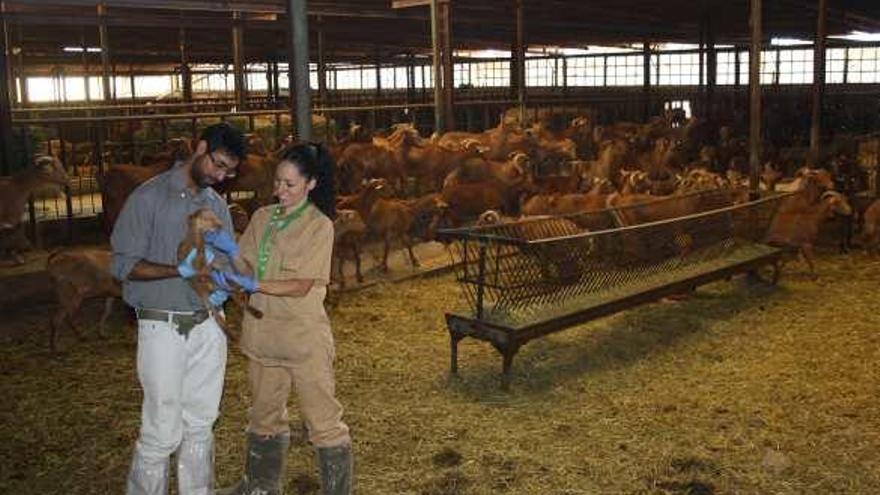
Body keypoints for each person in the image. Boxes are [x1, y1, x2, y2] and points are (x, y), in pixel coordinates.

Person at [207, 143, 353, 495]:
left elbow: (302, 284)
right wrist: (219, 276)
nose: (280, 191)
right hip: (263, 336)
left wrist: (254, 283)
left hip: (303, 339)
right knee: (263, 414)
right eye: (277, 182)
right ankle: (259, 486)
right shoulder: (261, 218)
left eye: (289, 184)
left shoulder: (320, 226)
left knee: (323, 420)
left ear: (311, 184)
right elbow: (242, 263)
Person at [110, 122, 246, 495]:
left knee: (201, 422)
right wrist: (178, 271)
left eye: (228, 171)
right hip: (162, 326)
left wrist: (225, 280)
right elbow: (123, 264)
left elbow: (223, 259)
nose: (221, 176)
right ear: (199, 148)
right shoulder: (148, 198)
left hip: (208, 324)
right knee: (161, 427)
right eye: (218, 165)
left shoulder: (216, 204)